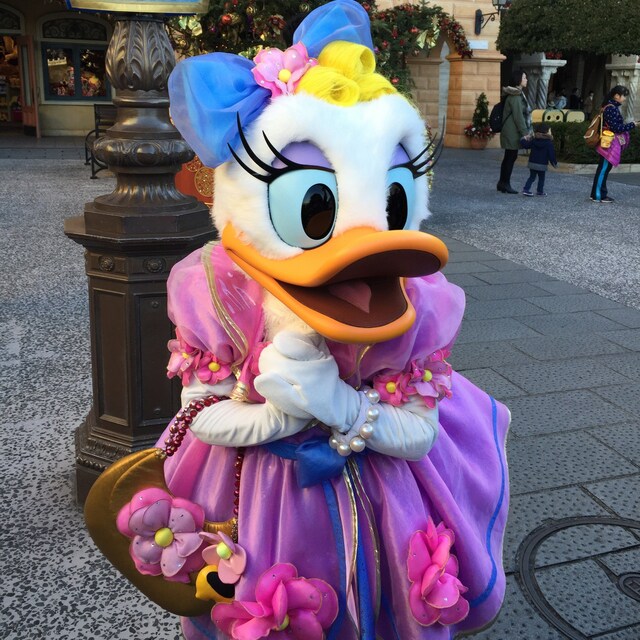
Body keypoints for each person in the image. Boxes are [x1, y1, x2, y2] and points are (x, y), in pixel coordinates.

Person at [84, 3, 510, 639]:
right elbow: (197, 413)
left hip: (379, 495)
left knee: (377, 604)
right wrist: (274, 418)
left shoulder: (417, 301)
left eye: (394, 200)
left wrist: (338, 404)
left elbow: (420, 433)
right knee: (271, 608)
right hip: (257, 494)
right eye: (315, 207)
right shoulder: (217, 289)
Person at [591, 85, 639, 203]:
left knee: (604, 168)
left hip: (607, 141)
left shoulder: (610, 106)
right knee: (604, 168)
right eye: (624, 96)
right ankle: (598, 195)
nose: (624, 99)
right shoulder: (611, 108)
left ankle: (598, 193)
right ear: (617, 96)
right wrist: (632, 125)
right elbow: (616, 128)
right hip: (608, 143)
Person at [497, 69, 530, 194]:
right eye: (524, 77)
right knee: (510, 157)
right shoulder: (515, 96)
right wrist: (525, 132)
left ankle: (502, 183)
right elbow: (518, 116)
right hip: (512, 132)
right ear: (518, 80)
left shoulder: (515, 94)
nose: (526, 80)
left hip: (510, 130)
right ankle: (505, 184)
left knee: (509, 157)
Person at [519, 123, 558, 196]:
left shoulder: (534, 140)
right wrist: (554, 163)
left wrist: (523, 139)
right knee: (541, 178)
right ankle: (540, 191)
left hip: (532, 163)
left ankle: (526, 189)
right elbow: (551, 155)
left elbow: (526, 145)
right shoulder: (549, 143)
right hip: (542, 164)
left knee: (532, 177)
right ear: (547, 132)